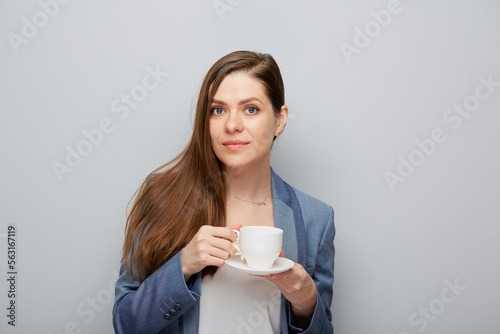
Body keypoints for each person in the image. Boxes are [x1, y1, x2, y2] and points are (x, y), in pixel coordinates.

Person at [113, 50, 335, 333]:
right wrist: (183, 265)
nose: (232, 125)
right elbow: (125, 324)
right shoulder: (162, 196)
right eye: (218, 110)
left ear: (280, 120)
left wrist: (307, 304)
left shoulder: (316, 219)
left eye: (250, 109)